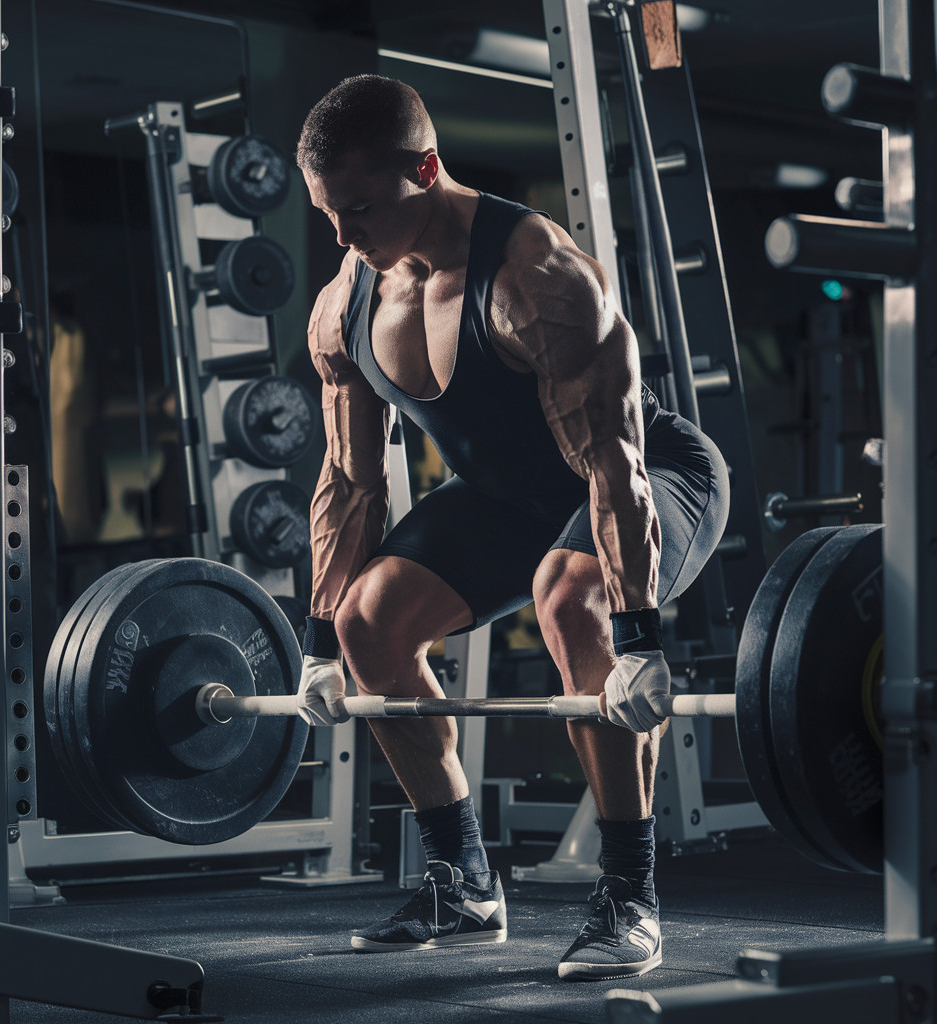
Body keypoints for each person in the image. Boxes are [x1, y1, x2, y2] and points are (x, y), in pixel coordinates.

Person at [294, 74, 729, 980]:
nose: (343, 235)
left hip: (651, 471)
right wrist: (315, 639)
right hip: (506, 495)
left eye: (362, 209)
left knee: (569, 599)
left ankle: (628, 893)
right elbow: (348, 474)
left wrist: (639, 637)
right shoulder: (348, 300)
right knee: (367, 622)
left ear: (426, 166)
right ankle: (462, 879)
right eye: (329, 213)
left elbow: (612, 461)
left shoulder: (537, 276)